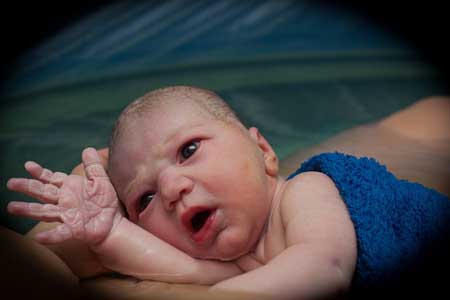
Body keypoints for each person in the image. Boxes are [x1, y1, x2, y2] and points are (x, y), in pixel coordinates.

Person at [5, 86, 450, 299]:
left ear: (264, 152)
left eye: (188, 150)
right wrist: (109, 235)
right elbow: (182, 270)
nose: (171, 188)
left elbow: (325, 268)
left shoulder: (308, 192)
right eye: (144, 200)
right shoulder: (224, 258)